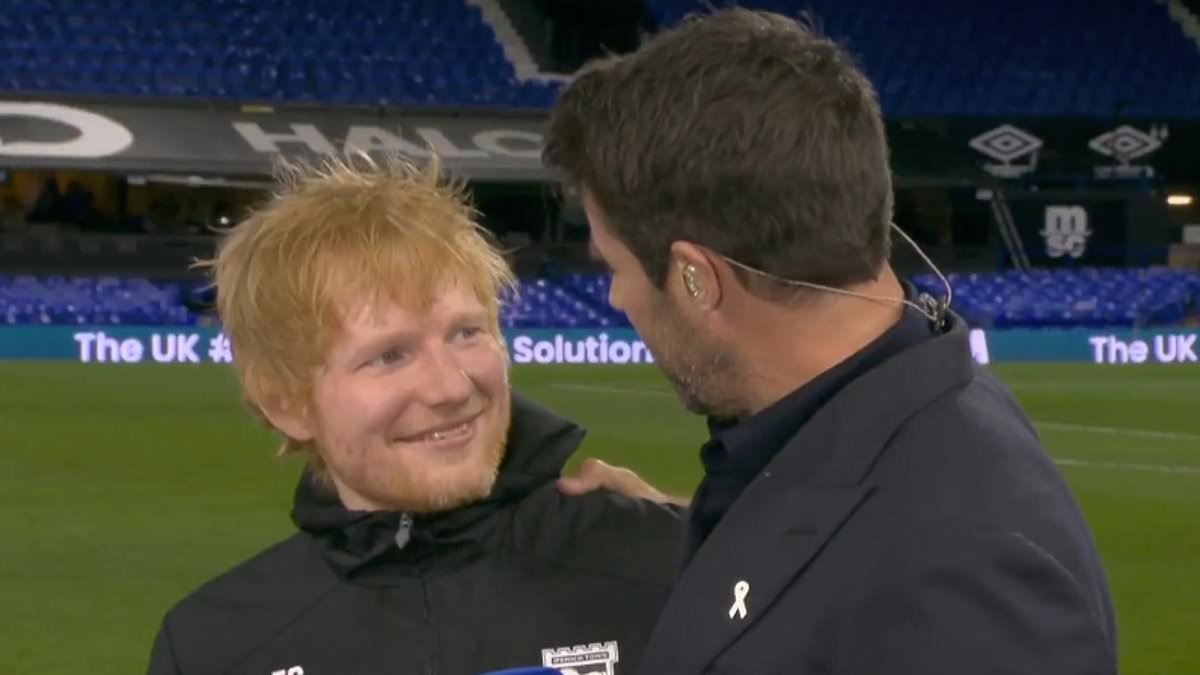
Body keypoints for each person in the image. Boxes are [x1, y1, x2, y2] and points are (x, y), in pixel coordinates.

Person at [544, 9, 1118, 675]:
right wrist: (703, 523)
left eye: (615, 267)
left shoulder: (965, 583)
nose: (615, 298)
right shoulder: (887, 390)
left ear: (698, 278)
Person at [146, 153, 683, 675]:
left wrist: (720, 534)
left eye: (466, 333)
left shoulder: (672, 564)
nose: (450, 386)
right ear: (287, 403)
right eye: (389, 355)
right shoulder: (213, 648)